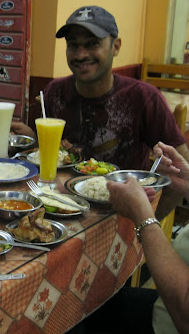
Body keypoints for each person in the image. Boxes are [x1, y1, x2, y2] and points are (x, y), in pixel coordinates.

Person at [11, 6, 189, 171]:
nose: (80, 55)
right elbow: (50, 152)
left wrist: (150, 206)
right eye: (73, 44)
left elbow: (181, 169)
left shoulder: (143, 97)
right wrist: (31, 140)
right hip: (59, 200)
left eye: (92, 43)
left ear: (116, 47)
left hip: (120, 202)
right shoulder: (55, 92)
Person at [75, 141, 189, 333]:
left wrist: (142, 214)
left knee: (78, 310)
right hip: (165, 307)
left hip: (168, 323)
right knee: (89, 301)